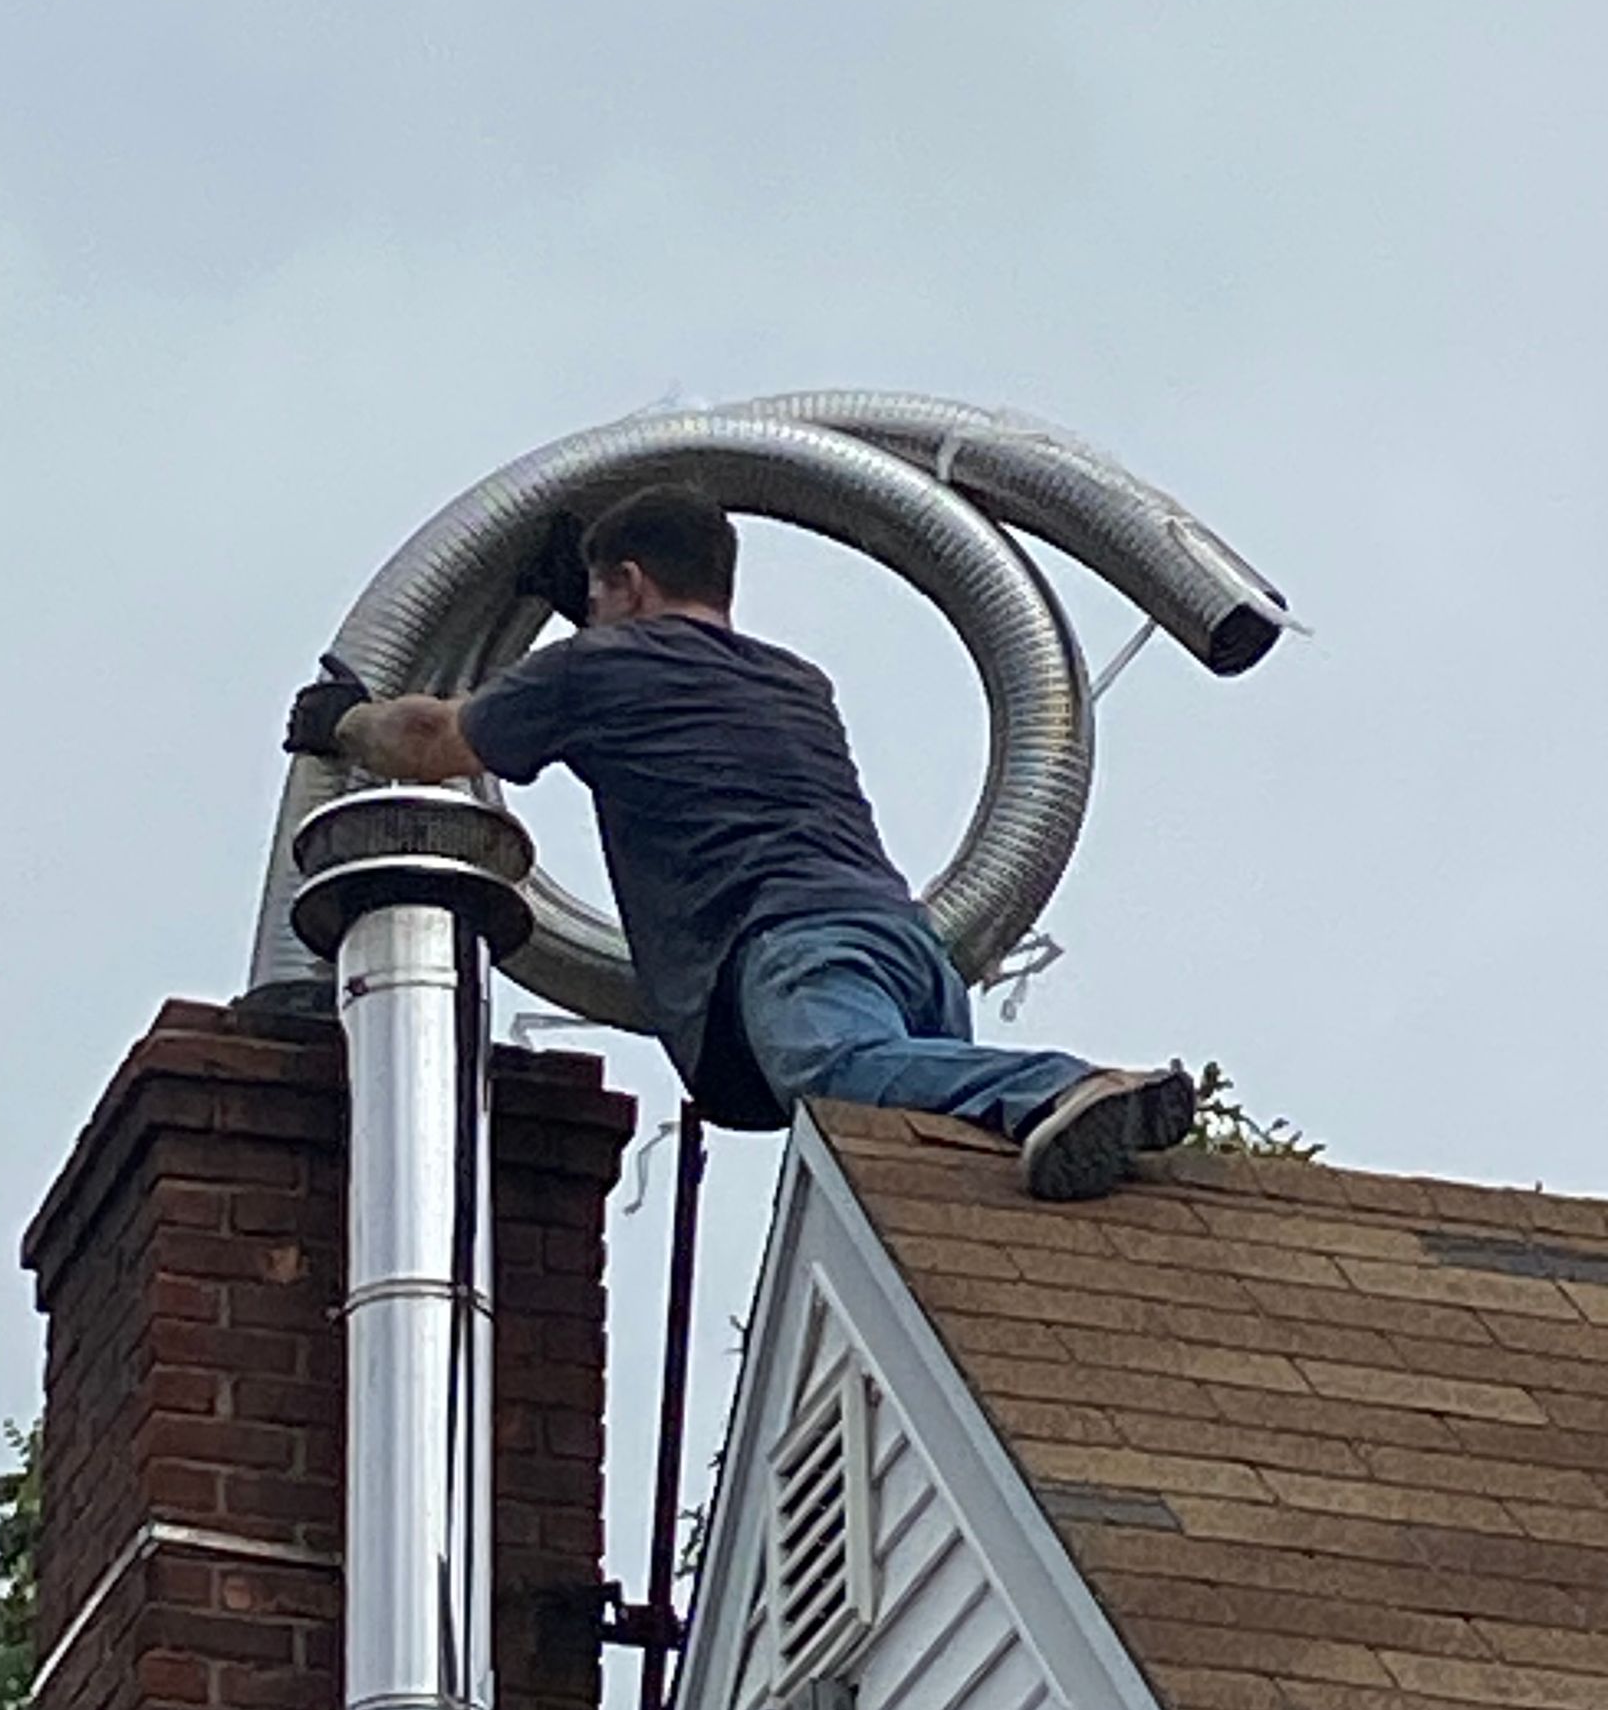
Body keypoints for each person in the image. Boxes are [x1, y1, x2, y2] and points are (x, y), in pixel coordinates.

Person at [299, 483, 1195, 1201]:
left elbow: (432, 744)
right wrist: (584, 611)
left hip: (796, 948)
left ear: (631, 582)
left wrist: (349, 723)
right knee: (929, 1180)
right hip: (909, 949)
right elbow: (671, 698)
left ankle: (1059, 1085)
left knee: (837, 1076)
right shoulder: (795, 681)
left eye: (603, 593)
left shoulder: (595, 670)